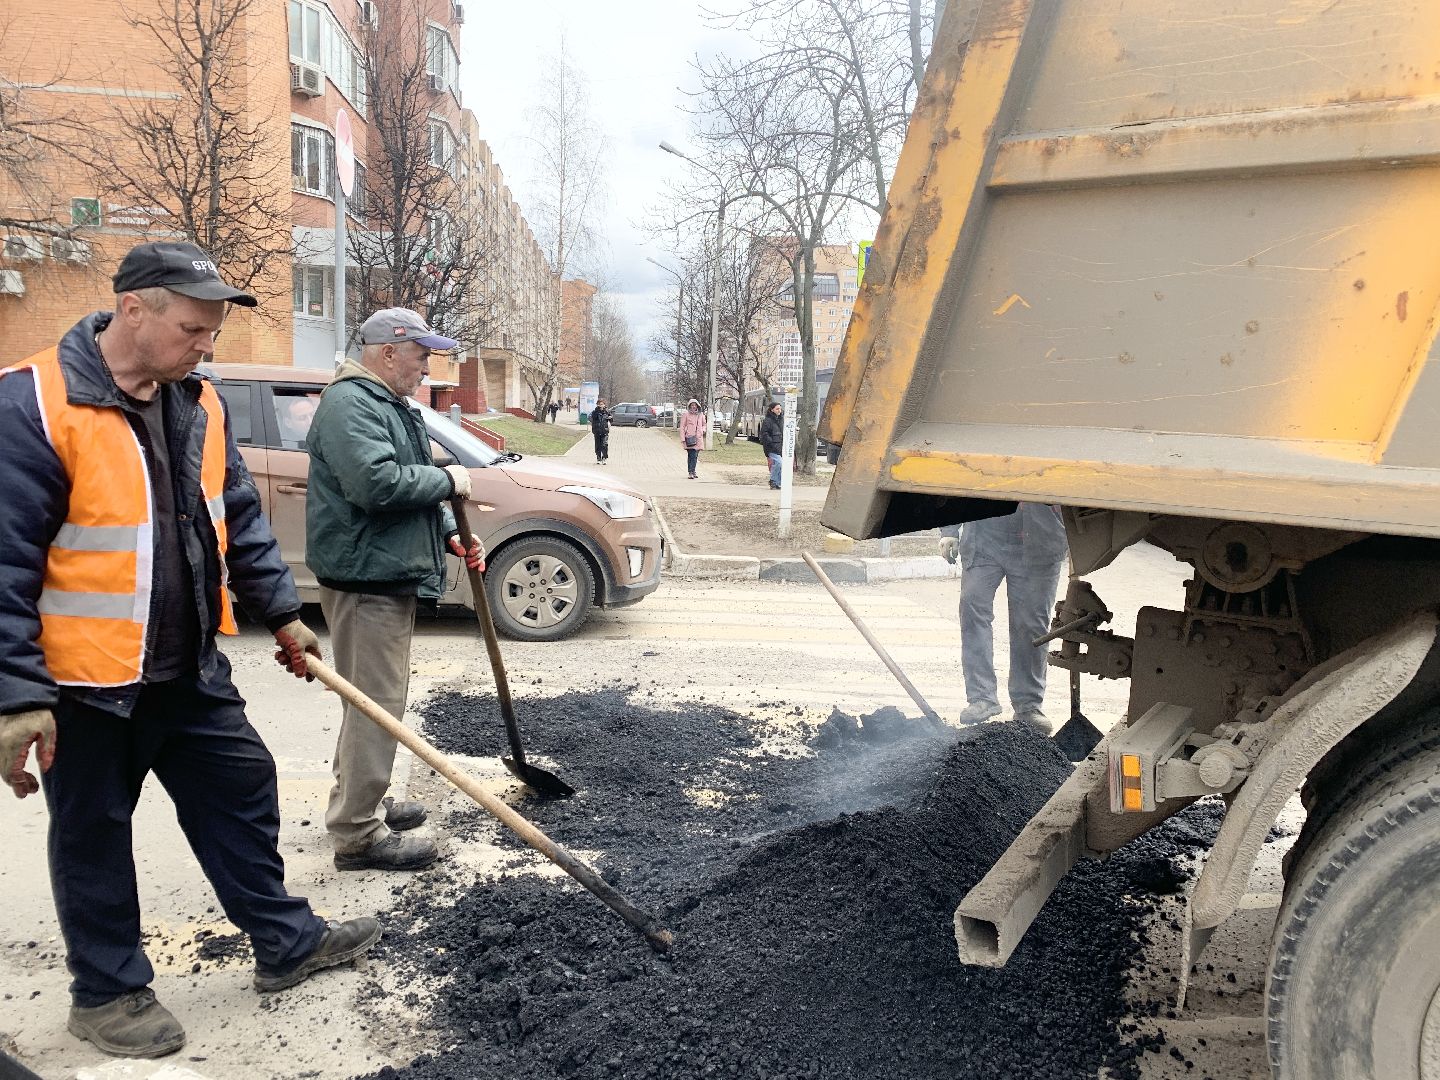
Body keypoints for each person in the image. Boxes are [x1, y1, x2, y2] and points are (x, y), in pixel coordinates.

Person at [0, 241, 379, 1059]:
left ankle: (285, 941)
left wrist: (282, 612)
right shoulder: (33, 402)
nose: (205, 344)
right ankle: (106, 994)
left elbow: (234, 516)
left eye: (211, 331)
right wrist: (16, 693)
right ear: (132, 308)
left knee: (242, 786)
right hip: (86, 683)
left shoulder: (193, 402)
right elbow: (3, 561)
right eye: (192, 327)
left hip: (188, 666)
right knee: (93, 832)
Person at [304, 307, 484, 873]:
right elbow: (376, 484)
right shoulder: (351, 404)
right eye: (421, 355)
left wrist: (452, 533)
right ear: (387, 352)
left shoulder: (386, 404)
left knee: (370, 700)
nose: (427, 367)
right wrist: (451, 479)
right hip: (366, 578)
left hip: (383, 571)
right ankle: (357, 834)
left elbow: (411, 482)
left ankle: (362, 801)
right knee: (375, 705)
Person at [939, 504, 1069, 733]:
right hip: (984, 540)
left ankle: (1028, 705)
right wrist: (949, 530)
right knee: (972, 609)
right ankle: (982, 698)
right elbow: (961, 472)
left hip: (1040, 540)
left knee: (1030, 626)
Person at [760, 401, 784, 489]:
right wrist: (771, 443)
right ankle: (773, 481)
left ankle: (777, 483)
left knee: (779, 464)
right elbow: (764, 434)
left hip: (780, 447)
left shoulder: (781, 420)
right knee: (779, 463)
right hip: (771, 447)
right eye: (777, 409)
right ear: (772, 409)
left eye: (780, 409)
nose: (779, 411)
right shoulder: (768, 421)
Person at [680, 398, 706, 479]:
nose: (693, 407)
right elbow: (682, 426)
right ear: (689, 406)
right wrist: (683, 438)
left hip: (698, 438)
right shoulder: (686, 415)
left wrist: (703, 430)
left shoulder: (701, 415)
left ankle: (693, 471)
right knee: (691, 455)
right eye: (692, 405)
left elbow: (704, 424)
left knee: (695, 456)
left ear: (697, 406)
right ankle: (691, 472)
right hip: (689, 438)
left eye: (695, 405)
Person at [590, 397, 611, 464]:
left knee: (604, 445)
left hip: (605, 431)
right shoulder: (594, 412)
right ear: (597, 405)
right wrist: (598, 410)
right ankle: (598, 458)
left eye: (602, 404)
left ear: (604, 404)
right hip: (597, 431)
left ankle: (604, 458)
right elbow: (592, 419)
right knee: (598, 445)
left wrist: (610, 418)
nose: (601, 405)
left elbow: (611, 420)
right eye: (599, 404)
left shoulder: (607, 412)